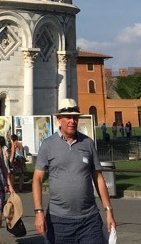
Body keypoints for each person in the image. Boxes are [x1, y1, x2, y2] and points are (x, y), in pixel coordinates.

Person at [32, 98, 115, 244]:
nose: (72, 121)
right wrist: (39, 212)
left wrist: (108, 210)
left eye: (75, 117)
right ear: (59, 119)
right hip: (58, 221)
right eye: (68, 117)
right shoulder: (48, 145)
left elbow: (98, 177)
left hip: (89, 219)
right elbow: (37, 179)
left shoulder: (87, 143)